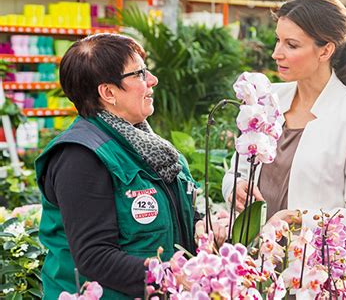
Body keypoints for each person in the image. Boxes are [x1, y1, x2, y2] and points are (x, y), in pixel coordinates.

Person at [35, 34, 220, 299]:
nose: (153, 80)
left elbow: (175, 212)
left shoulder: (150, 146)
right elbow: (94, 256)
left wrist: (201, 225)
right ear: (108, 92)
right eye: (141, 73)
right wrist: (167, 275)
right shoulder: (81, 157)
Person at [222, 0, 346, 232]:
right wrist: (234, 187)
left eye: (291, 45)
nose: (276, 53)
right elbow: (237, 170)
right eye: (278, 40)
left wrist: (301, 218)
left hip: (311, 263)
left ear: (325, 51)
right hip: (252, 257)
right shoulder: (267, 99)